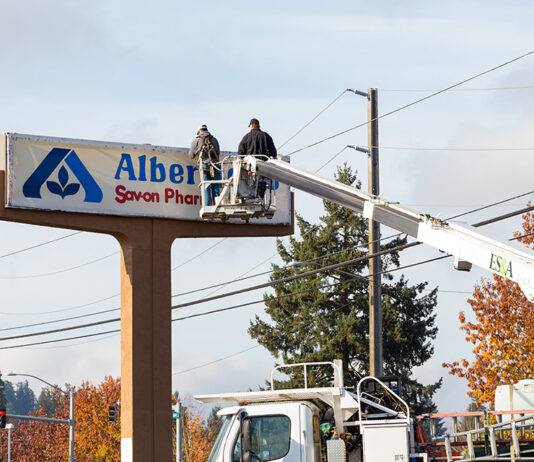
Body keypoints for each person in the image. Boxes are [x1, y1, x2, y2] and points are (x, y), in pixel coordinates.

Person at [238, 118, 277, 199]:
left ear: (251, 126)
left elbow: (240, 152)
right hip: (263, 167)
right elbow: (273, 153)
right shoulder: (266, 136)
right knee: (262, 184)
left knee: (250, 184)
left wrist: (243, 160)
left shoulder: (246, 137)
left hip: (250, 168)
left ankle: (251, 197)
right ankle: (260, 199)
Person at [189, 124, 221, 206]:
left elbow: (191, 155)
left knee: (206, 187)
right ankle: (217, 206)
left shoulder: (197, 140)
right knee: (216, 188)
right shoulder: (215, 140)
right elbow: (217, 153)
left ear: (199, 131)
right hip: (215, 166)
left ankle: (207, 207)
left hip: (204, 166)